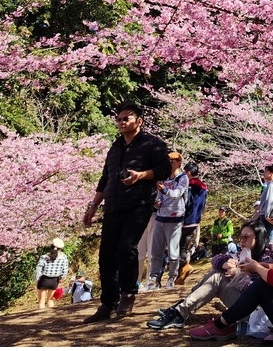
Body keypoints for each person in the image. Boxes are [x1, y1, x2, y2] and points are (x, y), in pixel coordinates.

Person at [82, 101, 171, 324]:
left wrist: (142, 175)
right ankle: (107, 303)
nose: (121, 122)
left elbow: (165, 170)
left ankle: (128, 294)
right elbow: (105, 178)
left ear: (138, 121)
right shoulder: (115, 147)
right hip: (112, 205)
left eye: (126, 119)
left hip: (139, 203)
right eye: (119, 119)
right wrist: (93, 206)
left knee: (126, 248)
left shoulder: (153, 144)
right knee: (106, 255)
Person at [148, 219, 273, 330]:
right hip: (243, 304)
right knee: (216, 271)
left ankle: (179, 312)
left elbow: (259, 291)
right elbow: (216, 259)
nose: (242, 241)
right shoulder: (244, 253)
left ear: (259, 238)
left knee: (218, 278)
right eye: (241, 237)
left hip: (256, 312)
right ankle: (180, 309)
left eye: (246, 237)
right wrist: (225, 264)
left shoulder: (268, 258)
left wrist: (238, 274)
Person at [147, 151, 190, 291]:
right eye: (169, 160)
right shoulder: (164, 177)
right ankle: (154, 279)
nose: (170, 162)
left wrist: (164, 190)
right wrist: (157, 202)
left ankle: (172, 277)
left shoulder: (183, 178)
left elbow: (177, 194)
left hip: (175, 218)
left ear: (179, 162)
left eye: (173, 160)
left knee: (173, 251)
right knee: (156, 251)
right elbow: (159, 196)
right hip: (160, 217)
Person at [177, 160, 208, 284]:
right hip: (195, 221)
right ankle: (181, 274)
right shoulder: (203, 187)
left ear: (188, 172)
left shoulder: (189, 185)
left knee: (179, 247)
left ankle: (184, 267)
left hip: (186, 219)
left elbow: (187, 202)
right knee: (183, 246)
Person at [253, 162, 273, 245]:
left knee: (267, 241)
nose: (264, 174)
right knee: (268, 240)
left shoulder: (272, 185)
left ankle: (268, 257)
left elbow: (269, 201)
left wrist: (267, 215)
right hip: (270, 216)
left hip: (268, 217)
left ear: (272, 173)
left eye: (266, 171)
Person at [36, 237, 70, 309]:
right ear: (60, 248)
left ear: (51, 247)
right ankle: (51, 316)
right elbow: (65, 269)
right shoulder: (64, 257)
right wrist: (62, 278)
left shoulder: (44, 257)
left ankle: (41, 317)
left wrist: (37, 279)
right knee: (50, 300)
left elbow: (39, 269)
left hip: (44, 280)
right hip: (54, 280)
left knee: (41, 301)